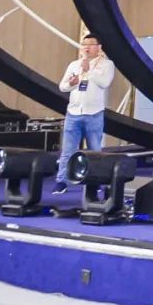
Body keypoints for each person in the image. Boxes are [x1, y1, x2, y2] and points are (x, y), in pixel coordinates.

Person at [53, 34, 115, 194]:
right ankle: (61, 181)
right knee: (67, 150)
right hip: (73, 112)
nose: (87, 47)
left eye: (91, 44)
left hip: (94, 113)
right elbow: (62, 87)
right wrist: (71, 83)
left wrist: (89, 70)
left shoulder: (107, 64)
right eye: (84, 44)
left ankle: (96, 182)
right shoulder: (74, 65)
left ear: (99, 47)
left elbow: (105, 83)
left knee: (95, 150)